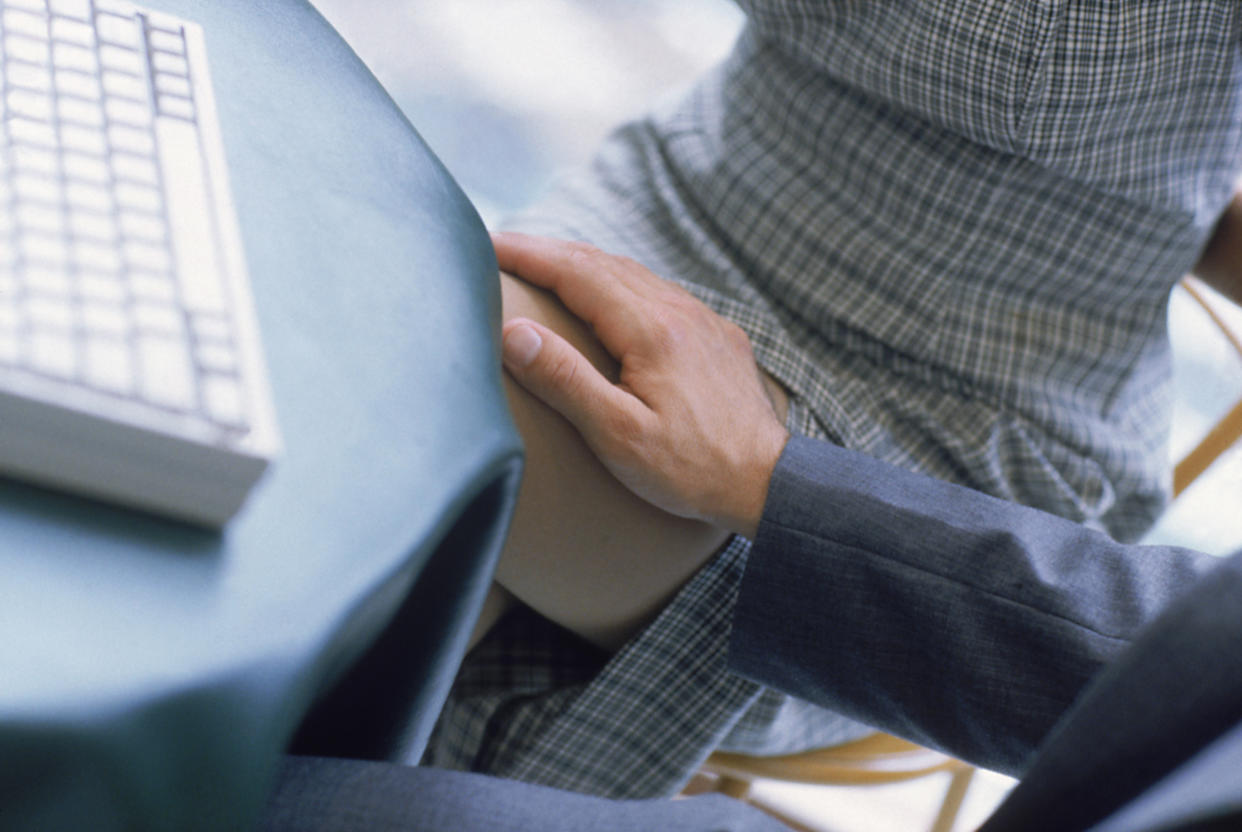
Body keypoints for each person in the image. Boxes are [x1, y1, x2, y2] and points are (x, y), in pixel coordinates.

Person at [425, 2, 1242, 797]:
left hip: (959, 433)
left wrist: (1121, 204)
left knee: (431, 390)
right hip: (683, 200)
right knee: (424, 453)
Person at [261, 233, 1241, 831]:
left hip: (976, 421)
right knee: (392, 343)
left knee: (440, 386)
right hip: (700, 207)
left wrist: (771, 481)